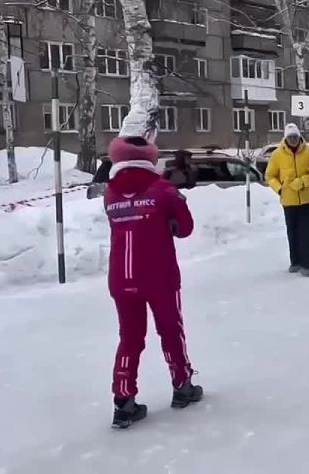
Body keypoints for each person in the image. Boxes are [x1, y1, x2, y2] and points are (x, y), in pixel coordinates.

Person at [104, 136, 202, 429]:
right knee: (171, 329)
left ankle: (123, 400)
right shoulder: (164, 190)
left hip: (122, 277)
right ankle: (182, 384)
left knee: (130, 337)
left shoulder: (110, 193)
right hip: (159, 274)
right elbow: (185, 228)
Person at [265, 123, 309, 276]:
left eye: (295, 137)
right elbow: (269, 176)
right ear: (285, 138)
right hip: (288, 199)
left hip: (305, 199)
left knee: (305, 232)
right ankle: (295, 262)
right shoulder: (277, 154)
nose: (293, 140)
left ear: (299, 137)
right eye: (290, 137)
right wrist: (279, 188)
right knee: (292, 231)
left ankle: (306, 264)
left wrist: (304, 181)